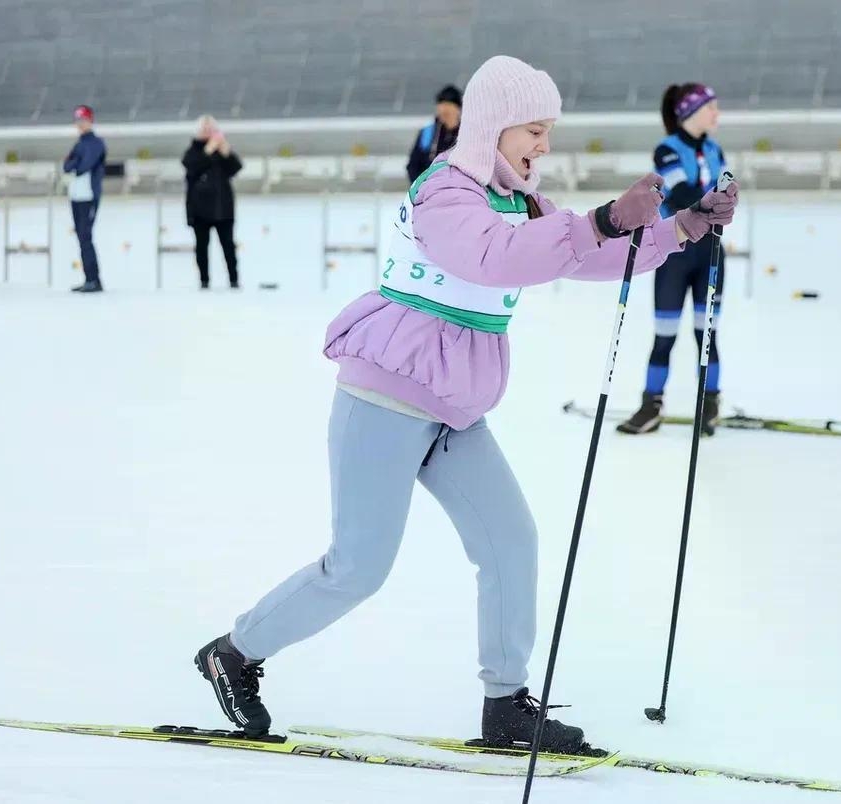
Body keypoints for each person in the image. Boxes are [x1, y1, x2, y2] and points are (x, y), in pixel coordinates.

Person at [193, 55, 738, 752]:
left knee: (511, 540)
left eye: (547, 132)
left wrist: (682, 226)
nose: (543, 145)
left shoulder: (519, 198)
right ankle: (234, 653)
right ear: (494, 125)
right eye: (533, 130)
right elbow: (496, 258)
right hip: (385, 393)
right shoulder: (447, 191)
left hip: (454, 406)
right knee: (359, 566)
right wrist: (601, 218)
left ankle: (506, 704)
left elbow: (580, 255)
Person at [617, 83, 728, 436]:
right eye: (711, 107)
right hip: (675, 253)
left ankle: (709, 402)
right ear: (691, 111)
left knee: (706, 333)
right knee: (665, 334)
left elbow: (725, 196)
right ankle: (651, 404)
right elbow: (681, 195)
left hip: (710, 252)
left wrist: (717, 201)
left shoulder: (714, 149)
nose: (717, 114)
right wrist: (715, 201)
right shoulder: (668, 149)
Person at [182, 115, 242, 289]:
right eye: (204, 129)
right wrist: (207, 150)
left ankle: (234, 279)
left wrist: (226, 152)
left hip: (223, 209)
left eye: (211, 129)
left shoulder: (222, 151)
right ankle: (204, 280)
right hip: (200, 210)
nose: (208, 132)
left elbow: (236, 168)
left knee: (228, 246)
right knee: (201, 247)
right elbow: (191, 167)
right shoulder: (193, 151)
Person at [63, 105, 107, 292]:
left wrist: (74, 164)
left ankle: (94, 280)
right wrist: (73, 164)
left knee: (85, 236)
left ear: (91, 121)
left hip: (89, 195)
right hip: (76, 195)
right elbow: (67, 165)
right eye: (78, 120)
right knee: (81, 237)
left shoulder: (95, 143)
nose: (80, 124)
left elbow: (83, 165)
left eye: (84, 120)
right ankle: (89, 277)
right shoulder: (79, 143)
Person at [405, 84, 462, 184]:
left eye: (448, 107)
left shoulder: (466, 134)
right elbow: (413, 165)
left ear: (458, 109)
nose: (444, 111)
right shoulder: (428, 133)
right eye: (441, 107)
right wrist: (420, 188)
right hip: (429, 188)